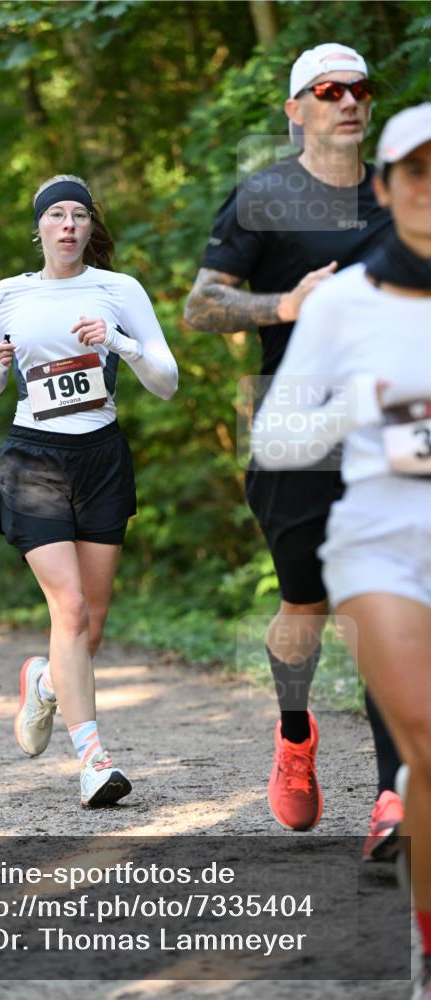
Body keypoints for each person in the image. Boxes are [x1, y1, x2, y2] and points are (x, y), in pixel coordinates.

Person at [184, 42, 403, 853]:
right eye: (326, 89)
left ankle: (393, 797)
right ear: (295, 109)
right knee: (305, 608)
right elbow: (202, 308)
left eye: (358, 88)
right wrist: (285, 306)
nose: (347, 100)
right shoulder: (264, 197)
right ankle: (294, 733)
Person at [250, 102, 431, 1000]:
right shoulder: (346, 300)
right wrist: (354, 409)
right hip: (382, 547)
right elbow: (279, 439)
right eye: (417, 172)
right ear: (387, 187)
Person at [0, 174, 178, 807]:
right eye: (56, 215)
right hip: (34, 457)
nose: (68, 225)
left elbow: (166, 380)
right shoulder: (6, 294)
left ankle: (43, 680)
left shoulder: (119, 290)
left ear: (91, 227)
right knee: (70, 611)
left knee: (90, 628)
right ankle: (93, 760)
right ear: (37, 228)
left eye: (79, 216)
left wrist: (117, 343)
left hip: (101, 456)